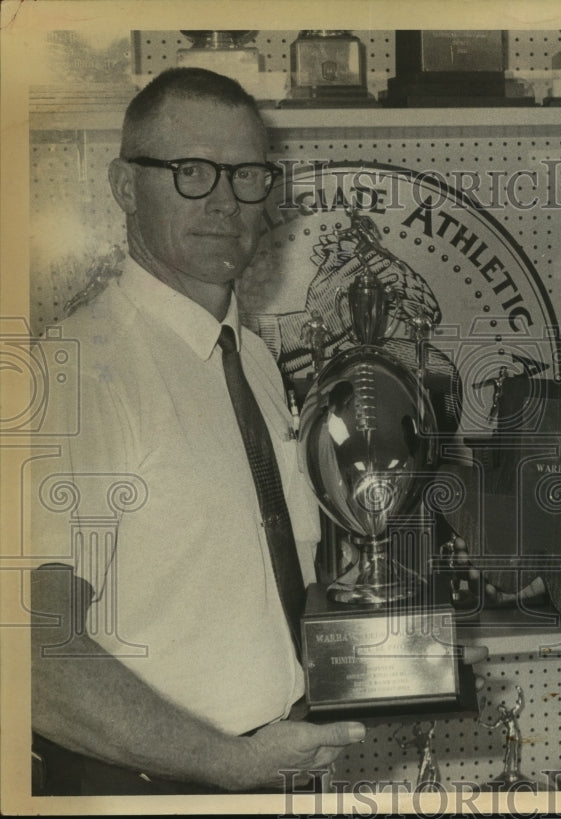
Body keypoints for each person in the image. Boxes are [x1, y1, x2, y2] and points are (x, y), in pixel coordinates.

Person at [28, 67, 475, 796]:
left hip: (272, 772)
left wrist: (400, 657)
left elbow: (269, 594)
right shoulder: (80, 370)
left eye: (246, 174)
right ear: (122, 185)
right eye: (191, 171)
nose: (225, 201)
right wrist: (229, 763)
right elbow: (35, 656)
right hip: (152, 789)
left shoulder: (255, 360)